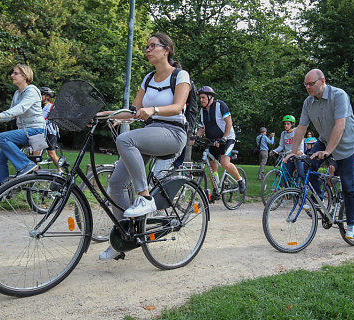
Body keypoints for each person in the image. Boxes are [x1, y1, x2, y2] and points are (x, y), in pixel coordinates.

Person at [96, 32, 190, 260]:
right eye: (146, 47)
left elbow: (178, 107)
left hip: (173, 132)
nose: (147, 50)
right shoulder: (148, 79)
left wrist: (154, 110)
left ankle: (145, 198)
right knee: (116, 183)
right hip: (149, 133)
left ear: (165, 49)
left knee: (125, 139)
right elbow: (134, 111)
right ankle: (123, 239)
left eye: (152, 46)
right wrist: (107, 115)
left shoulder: (180, 75)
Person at [284, 69, 354, 239]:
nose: (308, 87)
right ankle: (318, 198)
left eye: (312, 83)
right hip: (326, 140)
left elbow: (340, 125)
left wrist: (327, 152)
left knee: (348, 185)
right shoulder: (308, 102)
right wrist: (294, 151)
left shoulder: (339, 95)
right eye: (306, 85)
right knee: (307, 165)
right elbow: (301, 128)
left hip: (347, 144)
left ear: (323, 81)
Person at [0, 64, 45, 184]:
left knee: (0, 137)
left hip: (35, 131)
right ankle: (1, 189)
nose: (12, 75)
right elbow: (11, 115)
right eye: (12, 73)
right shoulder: (17, 94)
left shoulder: (32, 90)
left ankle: (26, 165)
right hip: (25, 132)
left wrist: (1, 114)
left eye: (15, 73)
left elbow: (21, 108)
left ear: (25, 76)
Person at [193, 86, 246, 193]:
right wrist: (196, 136)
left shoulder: (220, 105)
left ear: (210, 97)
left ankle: (240, 180)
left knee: (225, 163)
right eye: (200, 98)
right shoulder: (203, 111)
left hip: (227, 139)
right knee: (212, 167)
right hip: (213, 141)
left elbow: (229, 122)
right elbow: (202, 128)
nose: (201, 100)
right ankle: (215, 191)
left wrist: (224, 137)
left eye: (203, 97)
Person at [33, 87, 61, 172]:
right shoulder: (37, 106)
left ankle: (60, 170)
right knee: (36, 152)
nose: (39, 96)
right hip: (39, 130)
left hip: (50, 131)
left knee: (51, 153)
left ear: (47, 97)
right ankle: (34, 171)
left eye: (41, 95)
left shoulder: (51, 106)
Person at [271, 115, 305, 181]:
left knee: (301, 173)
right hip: (288, 156)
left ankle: (305, 187)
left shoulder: (297, 132)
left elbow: (300, 144)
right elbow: (281, 146)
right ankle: (286, 190)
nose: (286, 126)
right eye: (285, 124)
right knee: (285, 174)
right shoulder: (283, 133)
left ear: (292, 124)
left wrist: (300, 151)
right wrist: (274, 151)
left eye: (288, 124)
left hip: (298, 155)